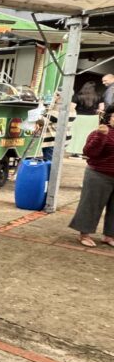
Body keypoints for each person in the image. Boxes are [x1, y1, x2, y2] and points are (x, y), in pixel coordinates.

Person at [68, 105, 114, 248]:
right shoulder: (99, 132)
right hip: (98, 175)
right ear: (109, 117)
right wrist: (101, 137)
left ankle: (109, 235)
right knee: (90, 205)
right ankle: (85, 234)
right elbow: (90, 153)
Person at [38, 93, 76, 163]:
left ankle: (49, 174)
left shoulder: (58, 109)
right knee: (56, 161)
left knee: (50, 162)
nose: (54, 97)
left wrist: (37, 113)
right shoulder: (71, 107)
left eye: (57, 95)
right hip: (64, 138)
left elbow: (43, 120)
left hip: (53, 140)